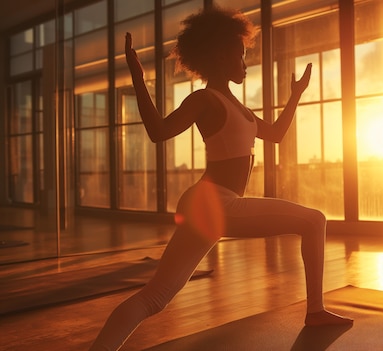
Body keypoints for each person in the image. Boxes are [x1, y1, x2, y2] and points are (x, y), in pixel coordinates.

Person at [89, 6, 352, 351]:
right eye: (241, 57)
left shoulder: (238, 107)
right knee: (315, 220)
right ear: (221, 56)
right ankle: (315, 311)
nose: (245, 64)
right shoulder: (204, 99)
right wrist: (138, 78)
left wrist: (296, 94)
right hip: (218, 202)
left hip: (210, 205)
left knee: (156, 296)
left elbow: (275, 134)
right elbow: (158, 131)